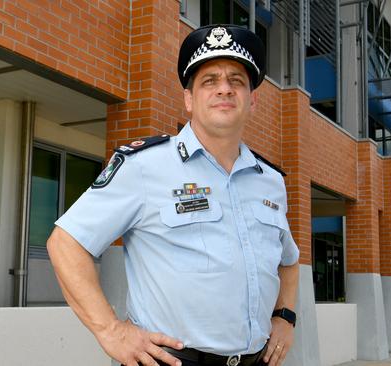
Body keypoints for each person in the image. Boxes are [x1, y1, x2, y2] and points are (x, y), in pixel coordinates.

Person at [47, 24, 300, 366]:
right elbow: (66, 243)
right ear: (189, 99)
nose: (224, 89)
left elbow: (288, 259)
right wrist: (110, 330)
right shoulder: (145, 166)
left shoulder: (269, 180)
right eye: (209, 81)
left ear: (252, 100)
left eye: (236, 81)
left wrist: (284, 317)